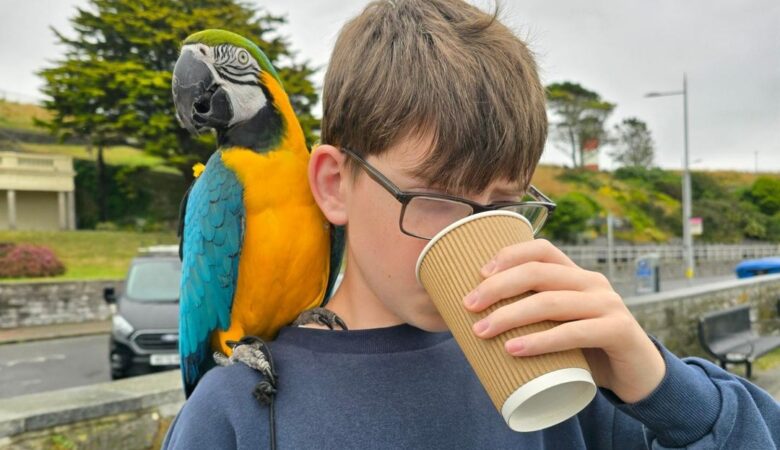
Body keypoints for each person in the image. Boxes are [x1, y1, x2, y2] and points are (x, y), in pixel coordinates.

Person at [163, 1, 780, 448]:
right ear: (333, 186)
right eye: (432, 197)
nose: (473, 234)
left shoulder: (565, 381)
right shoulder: (236, 417)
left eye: (507, 204)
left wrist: (659, 385)